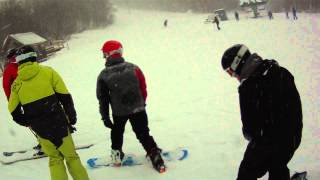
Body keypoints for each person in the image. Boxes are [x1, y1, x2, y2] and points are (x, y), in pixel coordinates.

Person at [221, 44, 303, 180]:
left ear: (237, 64)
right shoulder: (281, 71)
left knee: (247, 171)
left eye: (230, 72)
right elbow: (294, 108)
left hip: (269, 141)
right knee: (278, 164)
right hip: (292, 137)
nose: (232, 76)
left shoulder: (248, 88)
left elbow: (250, 130)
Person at [8, 45, 89, 180]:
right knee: (71, 157)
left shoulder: (16, 84)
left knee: (54, 159)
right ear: (34, 57)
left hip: (40, 129)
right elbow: (65, 96)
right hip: (59, 124)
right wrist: (71, 116)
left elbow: (13, 111)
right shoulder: (48, 72)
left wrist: (28, 122)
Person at [96, 40, 165, 173]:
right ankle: (154, 154)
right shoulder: (134, 68)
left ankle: (116, 156)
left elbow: (102, 99)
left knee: (117, 133)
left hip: (119, 112)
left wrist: (105, 116)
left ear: (109, 54)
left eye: (105, 54)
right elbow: (143, 88)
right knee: (143, 133)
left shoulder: (104, 75)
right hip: (138, 108)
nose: (104, 57)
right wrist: (141, 103)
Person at [2, 48, 43, 155]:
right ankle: (47, 141)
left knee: (33, 121)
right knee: (42, 118)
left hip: (25, 100)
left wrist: (12, 102)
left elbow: (7, 87)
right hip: (38, 96)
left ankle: (44, 142)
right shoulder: (28, 63)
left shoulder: (10, 69)